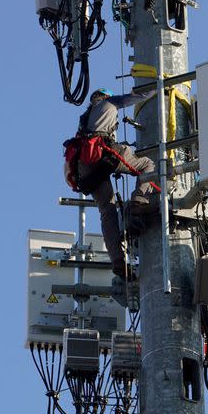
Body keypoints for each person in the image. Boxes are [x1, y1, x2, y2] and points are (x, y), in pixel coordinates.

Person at [72, 87, 157, 279]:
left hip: (84, 166)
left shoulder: (84, 118)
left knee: (106, 211)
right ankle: (138, 202)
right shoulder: (109, 103)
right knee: (147, 165)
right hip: (103, 152)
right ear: (105, 97)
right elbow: (137, 97)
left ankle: (117, 261)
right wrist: (158, 86)